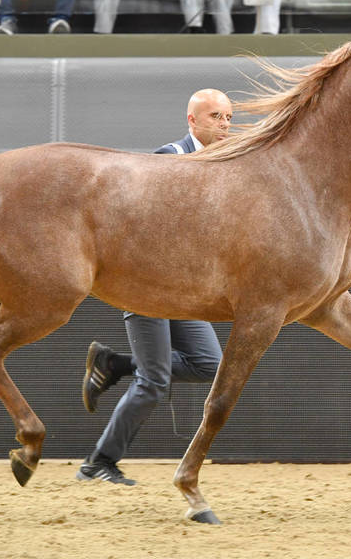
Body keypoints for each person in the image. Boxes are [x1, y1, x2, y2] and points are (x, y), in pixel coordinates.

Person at [77, 88, 231, 485]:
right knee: (154, 382)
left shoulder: (228, 164)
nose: (225, 124)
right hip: (145, 284)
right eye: (215, 116)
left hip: (179, 290)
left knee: (210, 366)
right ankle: (98, 463)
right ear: (192, 121)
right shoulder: (168, 159)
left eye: (228, 117)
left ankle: (115, 364)